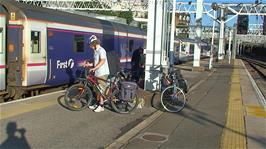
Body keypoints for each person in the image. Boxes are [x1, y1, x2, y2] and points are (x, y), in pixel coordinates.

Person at [82, 35, 110, 112]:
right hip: (97, 73)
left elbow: (102, 61)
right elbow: (95, 62)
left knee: (100, 89)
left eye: (90, 44)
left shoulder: (101, 50)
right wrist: (89, 65)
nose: (89, 46)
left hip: (102, 73)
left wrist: (94, 68)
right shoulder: (96, 51)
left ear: (94, 43)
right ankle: (97, 104)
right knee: (97, 89)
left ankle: (101, 106)